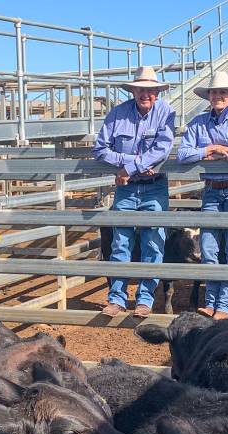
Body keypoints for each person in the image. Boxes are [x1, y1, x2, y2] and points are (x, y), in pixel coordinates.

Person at [91, 66, 176, 318]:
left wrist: (128, 166)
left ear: (157, 92)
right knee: (120, 243)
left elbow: (163, 148)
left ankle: (145, 300)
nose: (145, 94)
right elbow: (100, 150)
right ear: (133, 91)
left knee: (153, 243)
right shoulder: (118, 114)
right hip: (126, 187)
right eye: (141, 89)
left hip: (154, 187)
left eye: (150, 90)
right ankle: (116, 298)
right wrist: (132, 162)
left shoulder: (166, 113)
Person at [176, 71, 228, 320]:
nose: (218, 96)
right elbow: (182, 155)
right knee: (209, 247)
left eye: (223, 93)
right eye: (214, 92)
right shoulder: (198, 123)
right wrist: (210, 148)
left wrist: (227, 155)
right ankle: (211, 302)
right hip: (212, 189)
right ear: (209, 97)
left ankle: (225, 304)